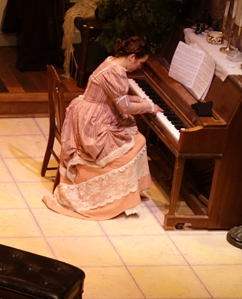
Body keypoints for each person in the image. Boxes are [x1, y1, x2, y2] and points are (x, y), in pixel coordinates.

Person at [42, 34, 162, 220]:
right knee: (135, 143)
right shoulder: (114, 73)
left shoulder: (111, 63)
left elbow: (118, 97)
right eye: (140, 63)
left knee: (133, 133)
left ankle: (127, 193)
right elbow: (123, 106)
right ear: (132, 57)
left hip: (92, 111)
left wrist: (140, 99)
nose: (139, 67)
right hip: (92, 122)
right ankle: (113, 197)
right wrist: (149, 107)